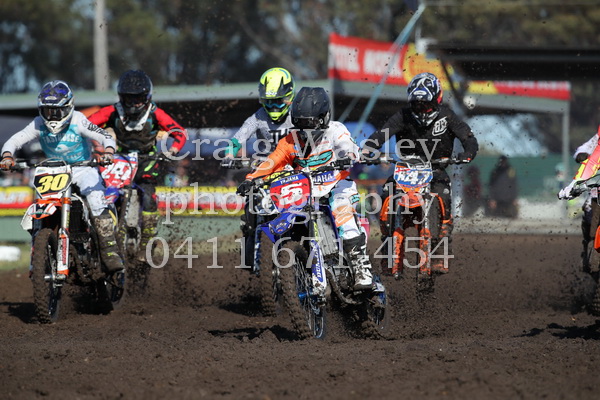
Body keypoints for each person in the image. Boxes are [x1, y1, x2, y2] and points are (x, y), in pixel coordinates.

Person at [237, 87, 374, 291]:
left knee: (343, 215)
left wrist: (348, 156)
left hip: (337, 185)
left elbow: (348, 146)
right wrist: (251, 179)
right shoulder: (290, 140)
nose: (305, 128)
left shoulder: (336, 130)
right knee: (285, 214)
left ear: (323, 118)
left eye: (310, 122)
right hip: (307, 191)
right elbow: (272, 161)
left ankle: (361, 268)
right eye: (300, 122)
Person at [0, 80, 123, 276]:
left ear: (68, 107)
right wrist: (7, 156)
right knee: (40, 204)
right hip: (54, 170)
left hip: (83, 168)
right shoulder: (38, 123)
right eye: (48, 111)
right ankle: (41, 249)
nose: (52, 116)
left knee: (96, 200)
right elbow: (15, 140)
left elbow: (104, 136)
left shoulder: (78, 119)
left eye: (57, 111)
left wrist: (108, 151)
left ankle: (110, 251)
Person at [362, 72, 479, 274]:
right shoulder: (403, 115)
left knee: (443, 196)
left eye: (425, 103)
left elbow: (468, 138)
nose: (421, 107)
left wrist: (467, 154)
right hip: (406, 169)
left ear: (436, 99)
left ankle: (441, 249)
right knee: (387, 192)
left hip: (436, 169)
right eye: (417, 103)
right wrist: (368, 149)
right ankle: (388, 246)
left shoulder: (447, 116)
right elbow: (382, 134)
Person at [88, 70, 187, 262]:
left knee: (149, 198)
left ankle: (147, 243)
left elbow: (179, 132)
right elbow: (86, 125)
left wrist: (172, 150)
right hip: (119, 159)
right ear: (121, 97)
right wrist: (98, 146)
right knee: (108, 195)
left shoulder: (155, 113)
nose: (133, 104)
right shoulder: (113, 111)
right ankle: (106, 237)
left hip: (147, 160)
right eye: (129, 98)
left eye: (138, 99)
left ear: (146, 97)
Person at [221, 67, 296, 268]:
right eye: (268, 102)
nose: (273, 107)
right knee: (251, 205)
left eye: (278, 101)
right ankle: (251, 249)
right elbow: (238, 138)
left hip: (293, 168)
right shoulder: (258, 117)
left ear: (289, 96)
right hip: (264, 169)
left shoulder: (297, 115)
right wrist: (229, 154)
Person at [558, 125, 600, 271]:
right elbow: (585, 150)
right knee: (589, 210)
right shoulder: (597, 140)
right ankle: (588, 245)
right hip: (596, 188)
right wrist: (582, 154)